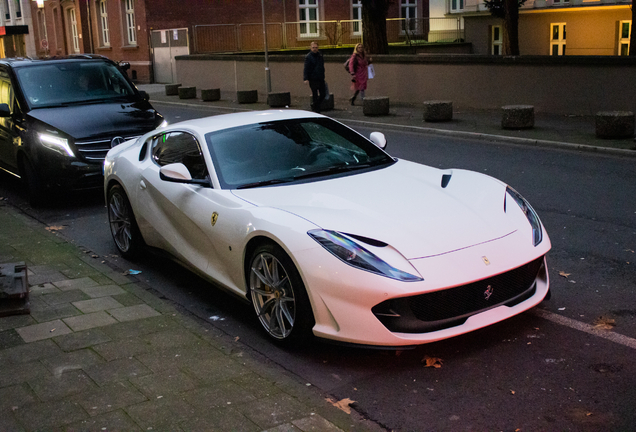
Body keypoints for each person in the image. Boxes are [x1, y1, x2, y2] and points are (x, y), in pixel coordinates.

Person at [303, 41, 326, 113]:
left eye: (316, 47)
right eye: (313, 47)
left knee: (323, 94)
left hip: (320, 78)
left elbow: (322, 66)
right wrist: (306, 78)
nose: (315, 49)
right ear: (311, 48)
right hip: (313, 78)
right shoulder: (308, 57)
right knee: (315, 94)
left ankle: (315, 105)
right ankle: (317, 109)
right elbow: (306, 68)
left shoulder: (320, 56)